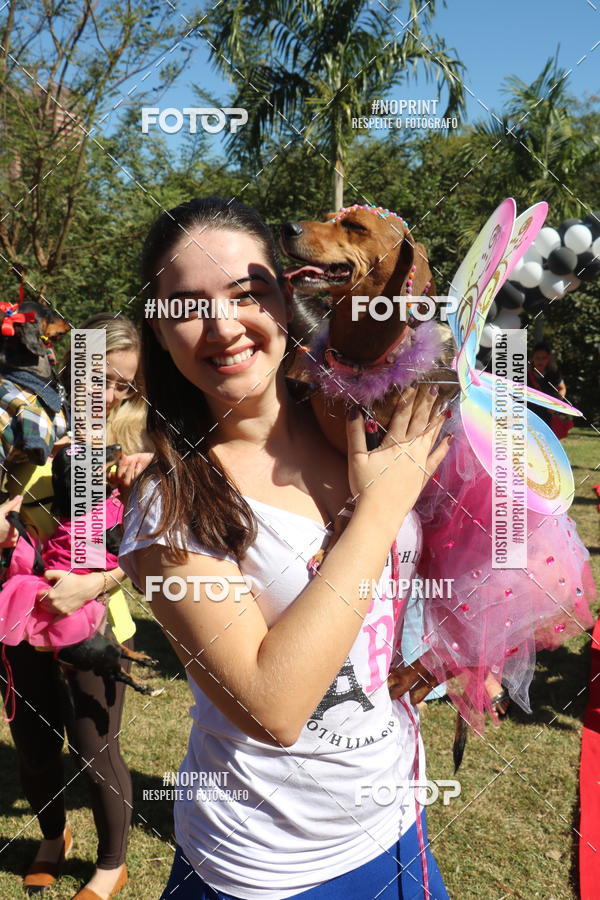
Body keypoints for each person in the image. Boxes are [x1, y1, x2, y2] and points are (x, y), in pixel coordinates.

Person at [119, 196, 453, 899]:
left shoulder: (356, 422)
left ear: (285, 295)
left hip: (398, 821)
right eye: (186, 305)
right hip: (270, 867)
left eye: (247, 292)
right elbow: (274, 708)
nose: (223, 325)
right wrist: (378, 512)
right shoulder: (169, 506)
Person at [0, 312, 147, 899]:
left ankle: (111, 864)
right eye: (98, 376)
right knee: (34, 746)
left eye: (123, 384)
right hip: (23, 616)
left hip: (96, 627)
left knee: (94, 748)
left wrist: (96, 584)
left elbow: (155, 556)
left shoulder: (141, 448)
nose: (107, 393)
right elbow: (17, 509)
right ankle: (52, 838)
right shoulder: (30, 429)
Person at [527, 340, 567, 426]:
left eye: (544, 358)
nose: (540, 361)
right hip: (528, 414)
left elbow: (562, 388)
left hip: (546, 415)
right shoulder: (524, 374)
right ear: (532, 358)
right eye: (537, 358)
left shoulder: (553, 374)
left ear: (549, 359)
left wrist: (556, 404)